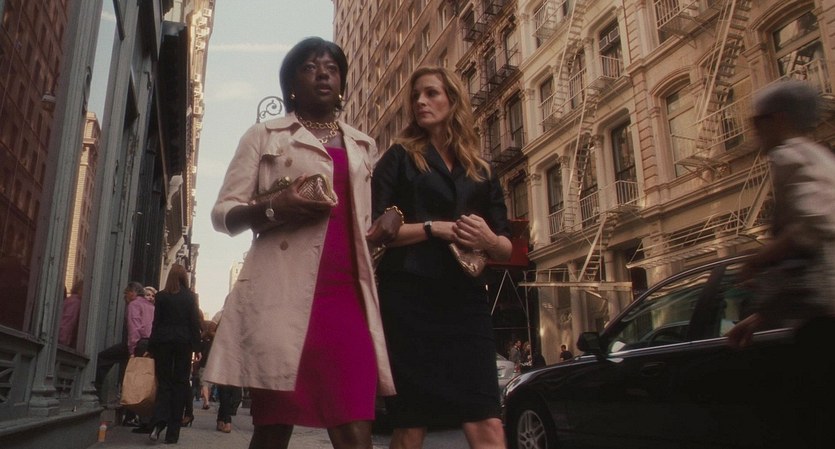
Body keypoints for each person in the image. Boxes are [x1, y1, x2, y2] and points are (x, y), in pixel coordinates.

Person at [203, 37, 400, 449]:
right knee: (273, 429)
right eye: (310, 67)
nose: (323, 74)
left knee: (355, 426)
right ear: (291, 83)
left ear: (342, 82)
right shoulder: (264, 135)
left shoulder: (363, 145)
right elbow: (223, 213)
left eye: (332, 67)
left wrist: (388, 222)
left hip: (347, 298)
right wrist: (276, 207)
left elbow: (362, 224)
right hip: (282, 296)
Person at [372, 66, 513, 449]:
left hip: (466, 302)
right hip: (409, 299)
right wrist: (435, 228)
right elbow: (376, 230)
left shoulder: (481, 170)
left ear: (453, 100)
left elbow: (506, 245)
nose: (421, 101)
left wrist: (488, 239)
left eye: (431, 93)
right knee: (411, 424)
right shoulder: (399, 157)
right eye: (416, 95)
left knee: (486, 419)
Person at [726, 80, 835, 448]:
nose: (753, 131)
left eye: (757, 121)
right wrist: (762, 316)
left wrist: (756, 261)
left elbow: (812, 226)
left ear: (779, 119)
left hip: (824, 328)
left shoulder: (790, 156)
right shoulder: (821, 157)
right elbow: (810, 265)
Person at [147, 264, 203, 444]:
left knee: (164, 383)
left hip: (163, 342)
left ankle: (158, 422)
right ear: (184, 277)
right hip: (183, 343)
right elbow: (194, 323)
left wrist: (151, 346)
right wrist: (197, 348)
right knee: (180, 384)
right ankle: (172, 434)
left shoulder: (161, 296)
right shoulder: (190, 297)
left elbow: (156, 323)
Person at [58, 280, 83, 347]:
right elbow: (68, 323)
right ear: (80, 290)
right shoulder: (76, 302)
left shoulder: (69, 300)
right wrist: (63, 345)